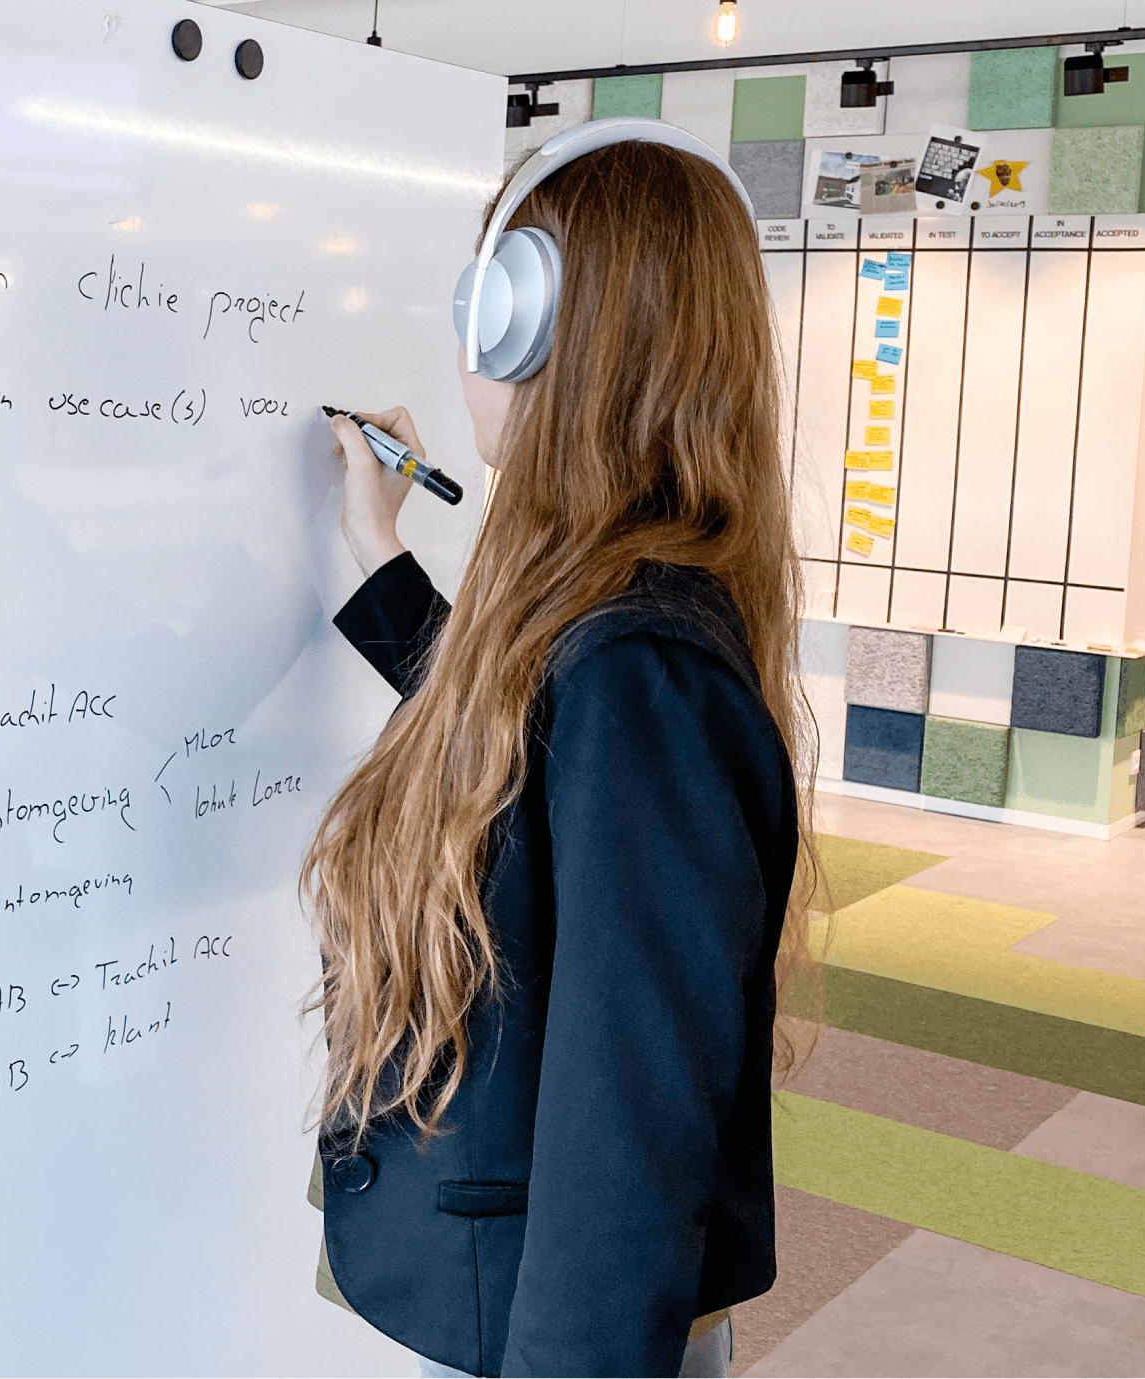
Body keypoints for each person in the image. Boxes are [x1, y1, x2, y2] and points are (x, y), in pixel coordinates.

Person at [305, 121, 816, 1379]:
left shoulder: (640, 667)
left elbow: (626, 1132)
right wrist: (382, 555)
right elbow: (514, 753)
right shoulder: (602, 618)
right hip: (507, 1301)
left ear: (528, 323)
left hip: (551, 1331)